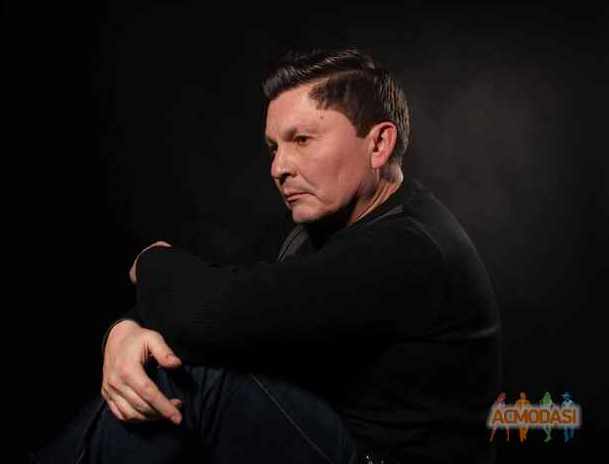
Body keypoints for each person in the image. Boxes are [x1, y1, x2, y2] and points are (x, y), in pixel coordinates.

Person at [31, 48, 501, 464]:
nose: (278, 168)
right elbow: (209, 287)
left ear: (378, 144)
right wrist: (124, 332)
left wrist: (148, 260)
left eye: (302, 140)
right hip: (332, 432)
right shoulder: (317, 221)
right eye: (274, 147)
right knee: (173, 359)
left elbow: (208, 312)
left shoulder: (410, 249)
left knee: (198, 377)